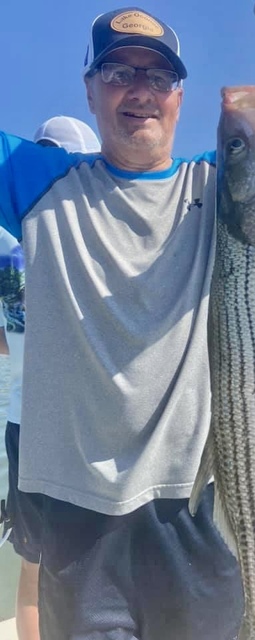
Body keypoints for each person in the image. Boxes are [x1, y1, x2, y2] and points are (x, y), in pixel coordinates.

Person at [0, 5, 255, 639]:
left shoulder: (219, 189)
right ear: (89, 88)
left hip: (198, 512)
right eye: (117, 70)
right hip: (78, 524)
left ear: (178, 96)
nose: (139, 89)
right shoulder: (36, 183)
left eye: (159, 76)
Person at [0, 117, 100, 640]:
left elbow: (7, 335)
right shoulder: (94, 239)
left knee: (34, 569)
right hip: (88, 426)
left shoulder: (5, 245)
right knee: (98, 560)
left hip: (26, 423)